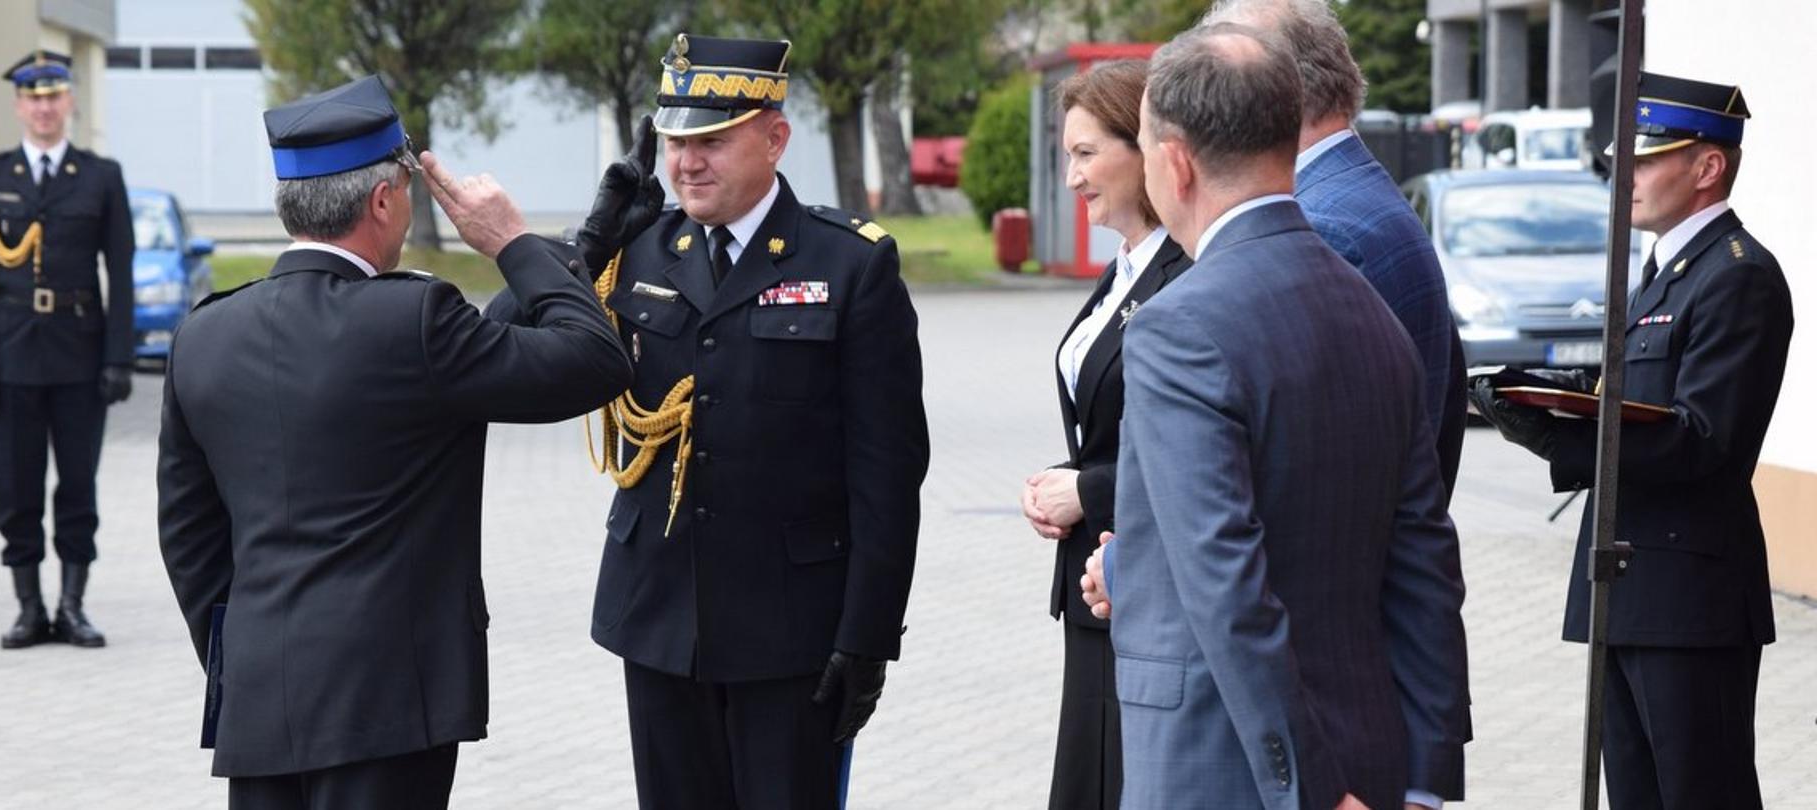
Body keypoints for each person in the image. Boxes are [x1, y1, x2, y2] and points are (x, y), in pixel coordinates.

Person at [156, 75, 632, 810]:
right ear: (383, 201)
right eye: (406, 190)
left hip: (260, 705)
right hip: (386, 707)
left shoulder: (204, 334)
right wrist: (511, 242)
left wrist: (245, 663)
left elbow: (188, 537)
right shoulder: (414, 321)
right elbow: (594, 362)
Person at [1080, 24, 1466, 809]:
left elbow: (1229, 583)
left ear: (1175, 161)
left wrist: (1314, 793)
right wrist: (1426, 783)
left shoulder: (1176, 324)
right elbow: (1423, 557)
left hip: (1230, 767)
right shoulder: (1367, 302)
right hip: (1370, 752)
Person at [565, 33, 929, 810]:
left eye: (711, 142)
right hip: (659, 618)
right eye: (674, 142)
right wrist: (588, 239)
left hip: (790, 632)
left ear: (774, 138)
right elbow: (514, 345)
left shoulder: (850, 264)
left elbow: (888, 473)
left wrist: (868, 636)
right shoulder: (638, 252)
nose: (686, 163)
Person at [1472, 73, 1791, 809]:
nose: (1627, 176)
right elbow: (1637, 409)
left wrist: (1555, 439)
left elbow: (1702, 443)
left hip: (1690, 596)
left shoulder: (1738, 278)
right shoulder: (1664, 275)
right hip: (1631, 585)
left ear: (1707, 168)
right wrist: (1549, 401)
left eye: (1647, 160)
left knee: (1699, 796)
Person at [1206, 0, 1468, 501]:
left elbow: (1288, 455)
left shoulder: (1318, 225)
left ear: (1278, 93)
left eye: (1220, 86)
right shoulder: (1346, 195)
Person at [1018, 60, 1191, 810]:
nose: (1071, 177)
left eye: (1087, 154)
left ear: (1147, 150)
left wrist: (1085, 489)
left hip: (1146, 586)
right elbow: (1113, 418)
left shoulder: (1186, 274)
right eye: (1067, 156)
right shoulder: (1127, 267)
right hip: (1094, 583)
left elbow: (1197, 453)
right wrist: (1064, 478)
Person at [0, 49, 135, 649]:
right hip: (9, 358)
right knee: (15, 484)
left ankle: (73, 605)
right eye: (33, 98)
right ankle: (29, 608)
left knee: (78, 485)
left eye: (53, 95)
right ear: (18, 105)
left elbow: (123, 271)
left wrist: (118, 358)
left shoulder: (101, 176)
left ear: (71, 102)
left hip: (80, 356)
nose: (43, 107)